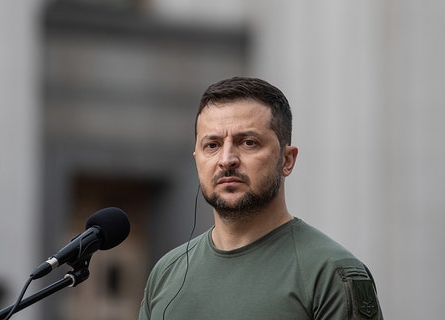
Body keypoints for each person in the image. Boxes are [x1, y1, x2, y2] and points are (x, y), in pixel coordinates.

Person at [138, 77, 382, 320]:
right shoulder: (166, 273)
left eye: (248, 142)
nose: (226, 159)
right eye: (212, 145)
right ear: (197, 159)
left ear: (287, 160)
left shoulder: (332, 273)